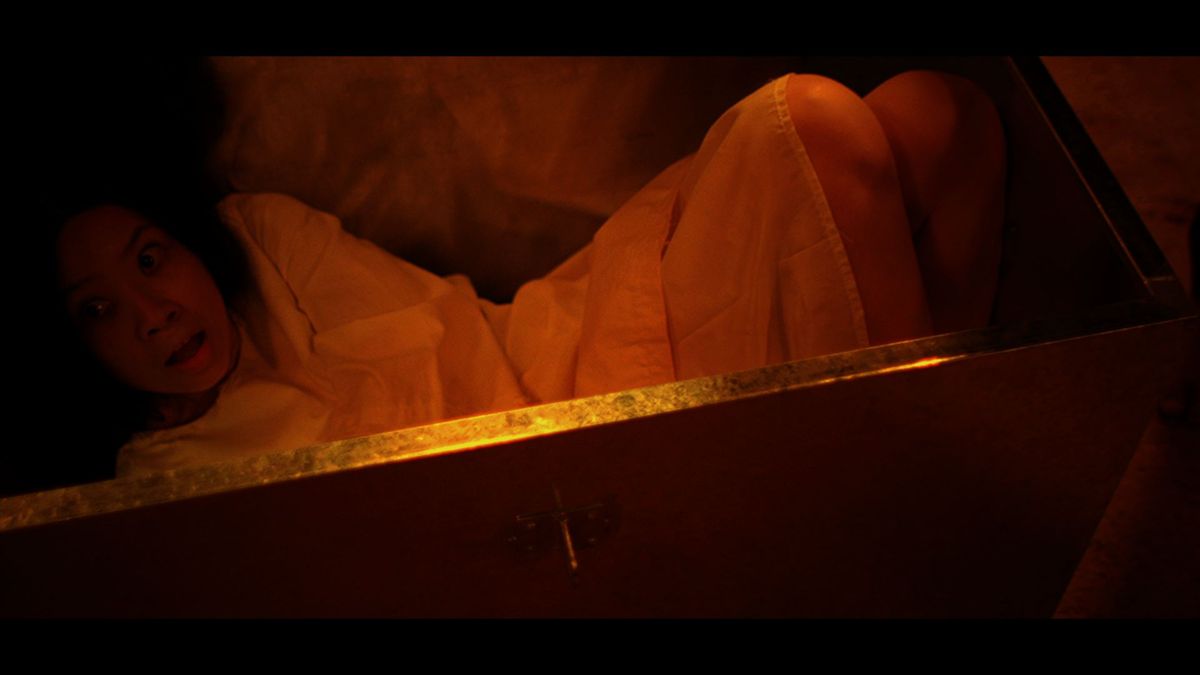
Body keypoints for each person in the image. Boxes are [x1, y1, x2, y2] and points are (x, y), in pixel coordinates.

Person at [50, 70, 1006, 478]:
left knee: (940, 112)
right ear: (70, 347)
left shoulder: (256, 236)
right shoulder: (158, 481)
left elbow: (444, 347)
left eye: (150, 260)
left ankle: (902, 504)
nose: (153, 313)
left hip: (556, 360)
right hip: (562, 459)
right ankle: (901, 502)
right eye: (98, 309)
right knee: (815, 121)